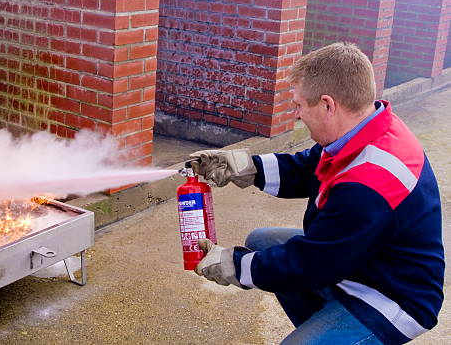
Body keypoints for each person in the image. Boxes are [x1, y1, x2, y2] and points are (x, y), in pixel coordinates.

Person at [190, 42, 444, 345]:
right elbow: (308, 167)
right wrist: (246, 167)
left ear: (327, 104)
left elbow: (313, 262)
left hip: (392, 296)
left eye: (299, 105)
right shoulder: (367, 129)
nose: (296, 114)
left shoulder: (369, 185)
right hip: (364, 261)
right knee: (262, 241)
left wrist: (236, 266)